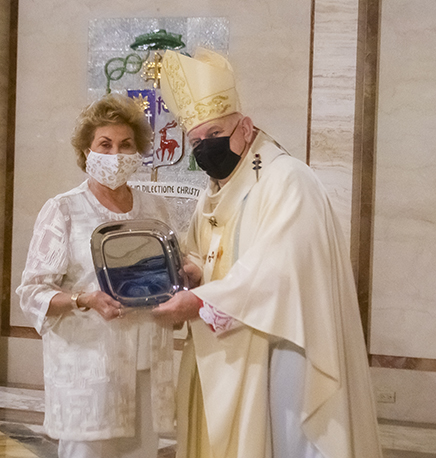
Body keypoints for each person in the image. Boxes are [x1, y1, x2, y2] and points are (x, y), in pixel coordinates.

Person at [153, 48, 383, 458]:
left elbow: (281, 268)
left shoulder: (287, 179)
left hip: (278, 351)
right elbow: (201, 255)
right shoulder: (217, 190)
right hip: (224, 349)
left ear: (245, 127)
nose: (206, 148)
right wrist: (189, 273)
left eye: (215, 135)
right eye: (197, 141)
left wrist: (201, 302)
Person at [16, 94, 175, 458]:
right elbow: (32, 292)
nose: (116, 155)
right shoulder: (64, 210)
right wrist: (82, 299)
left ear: (138, 151)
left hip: (145, 366)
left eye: (126, 145)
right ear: (87, 151)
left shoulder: (155, 208)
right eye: (105, 144)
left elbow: (169, 272)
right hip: (88, 373)